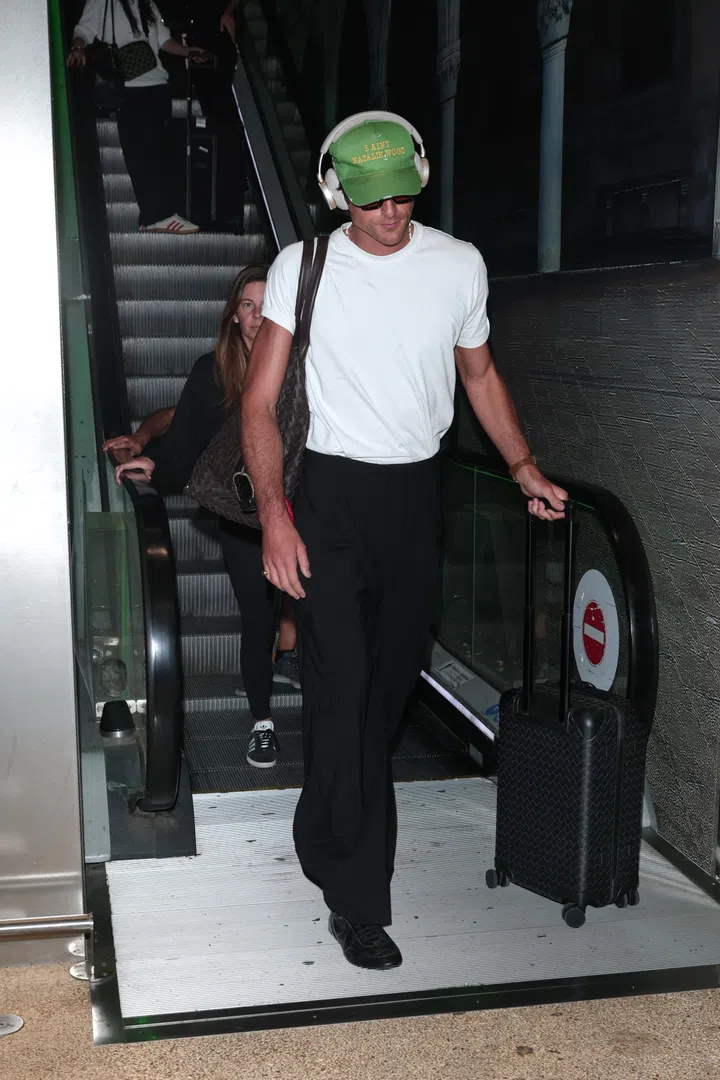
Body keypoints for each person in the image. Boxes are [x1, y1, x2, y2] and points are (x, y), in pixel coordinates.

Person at [240, 112, 568, 970]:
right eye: (371, 198)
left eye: (402, 195)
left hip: (417, 498)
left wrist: (522, 464)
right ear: (336, 190)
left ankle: (322, 823)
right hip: (329, 500)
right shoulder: (303, 265)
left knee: (382, 698)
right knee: (344, 692)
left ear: (420, 178)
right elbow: (259, 401)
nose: (390, 213)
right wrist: (275, 514)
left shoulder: (457, 264)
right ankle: (358, 903)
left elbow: (479, 374)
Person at [110, 265, 299, 768]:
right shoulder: (212, 372)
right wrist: (153, 463)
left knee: (315, 607)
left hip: (303, 507)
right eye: (247, 306)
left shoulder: (303, 365)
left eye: (266, 305)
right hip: (242, 513)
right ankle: (262, 722)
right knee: (256, 614)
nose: (257, 316)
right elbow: (184, 439)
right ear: (233, 316)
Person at [67, 0, 208, 234]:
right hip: (128, 89)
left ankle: (161, 216)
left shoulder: (148, 4)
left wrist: (190, 51)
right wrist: (78, 47)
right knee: (140, 155)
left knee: (162, 154)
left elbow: (164, 41)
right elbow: (84, 29)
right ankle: (153, 217)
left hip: (159, 86)